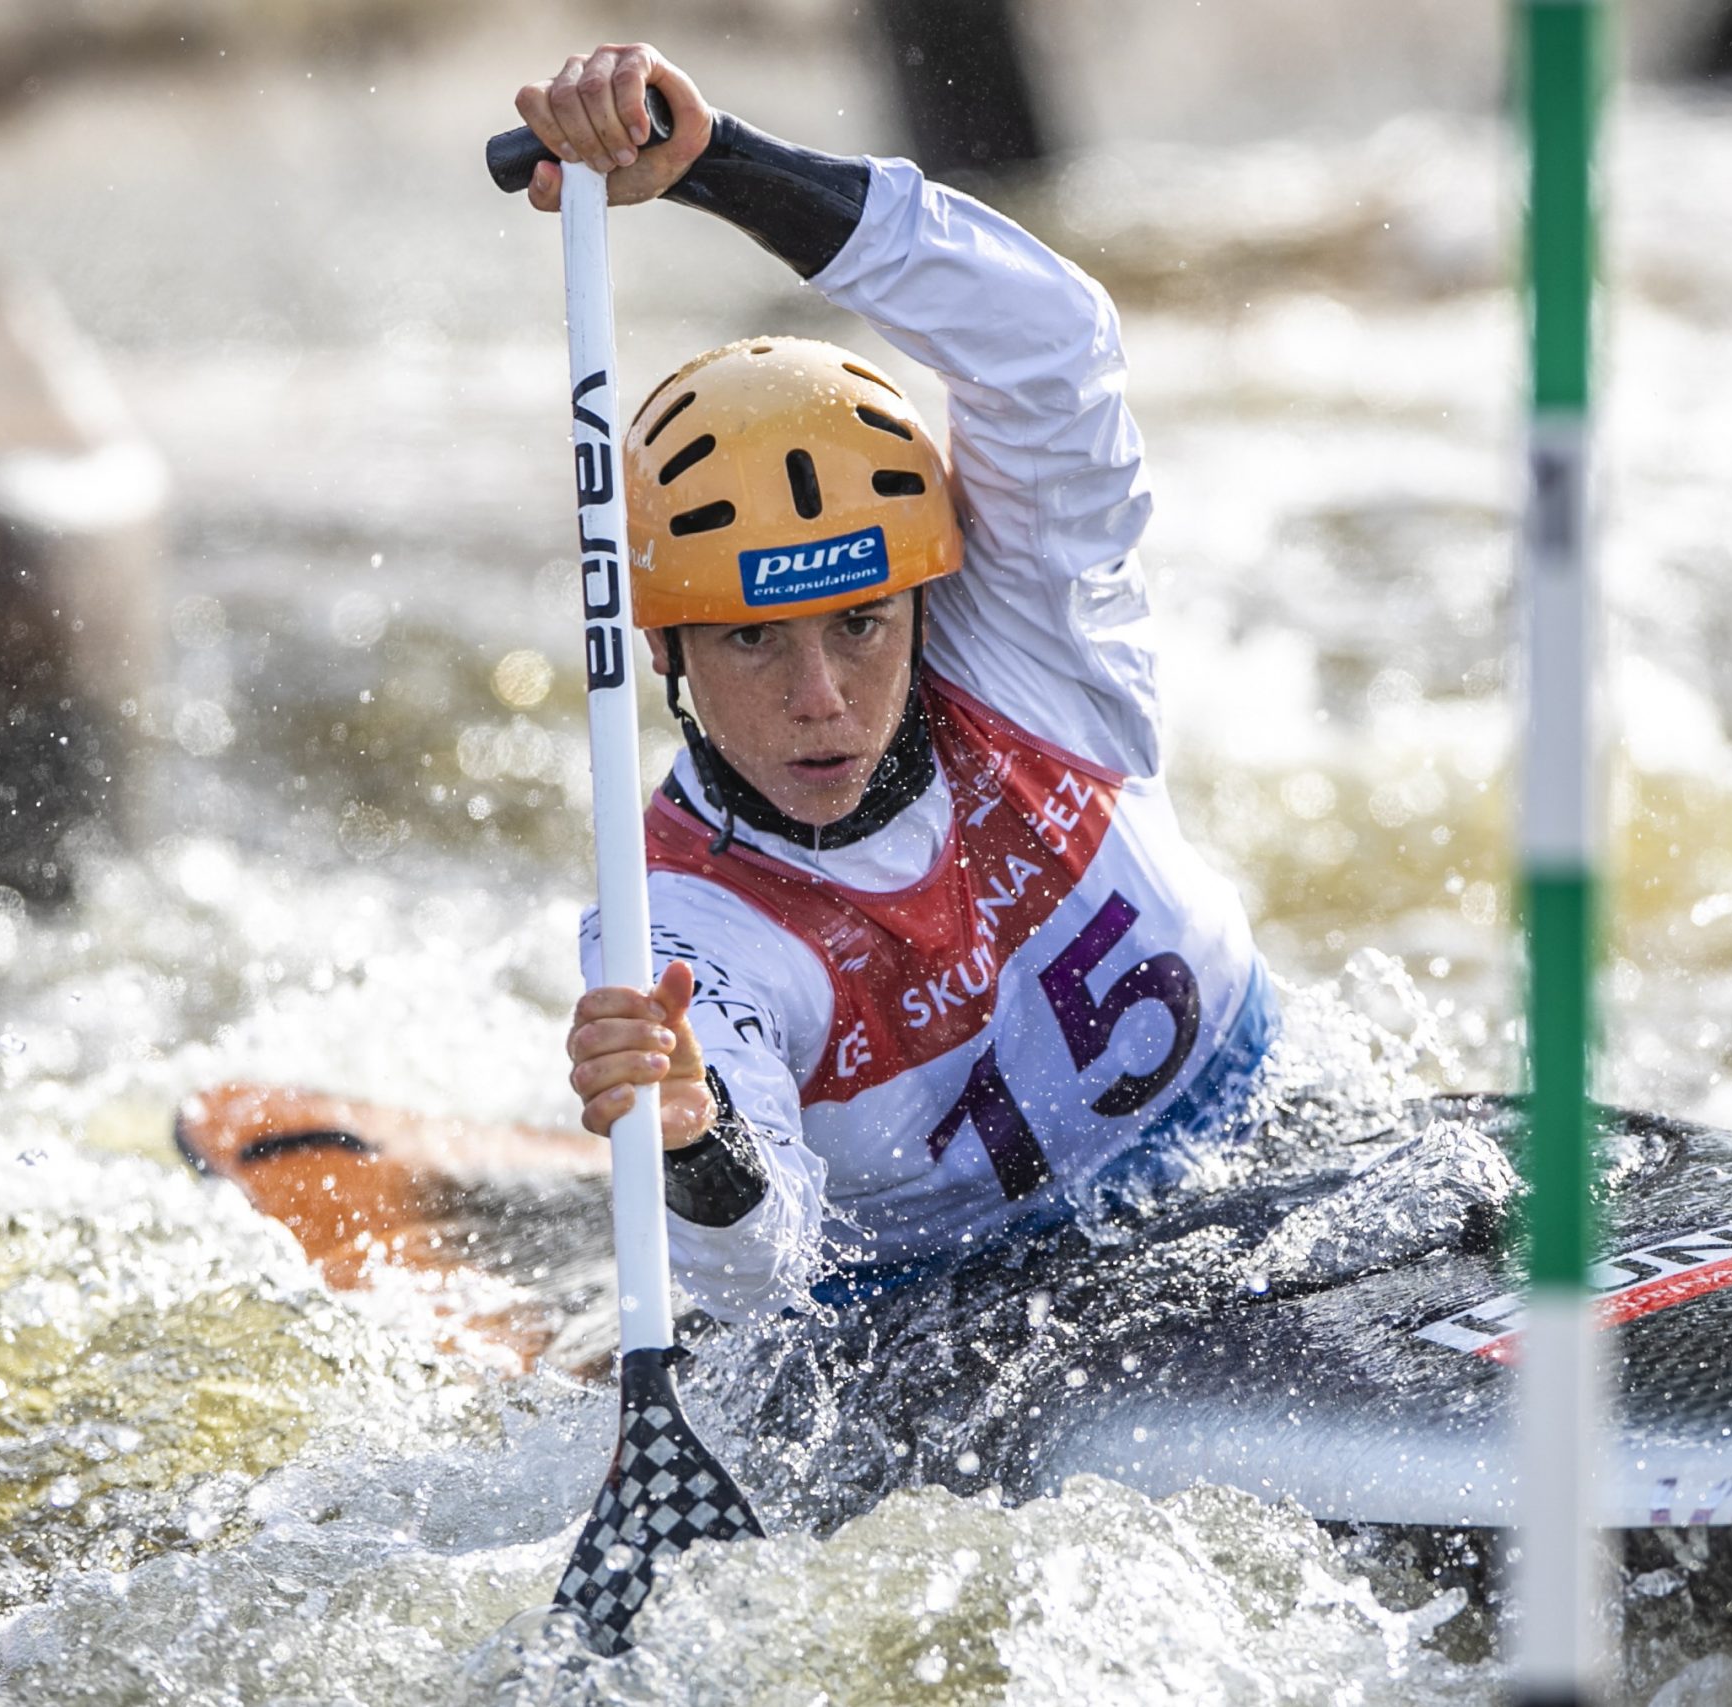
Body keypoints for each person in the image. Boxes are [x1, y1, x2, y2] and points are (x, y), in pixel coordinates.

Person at [528, 43, 1275, 1318]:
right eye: (753, 640)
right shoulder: (677, 925)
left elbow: (1048, 344)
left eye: (863, 624)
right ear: (666, 651)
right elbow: (758, 1275)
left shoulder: (1028, 642)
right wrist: (692, 1138)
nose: (820, 695)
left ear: (923, 596)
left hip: (1267, 1157)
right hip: (956, 1323)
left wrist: (722, 166)